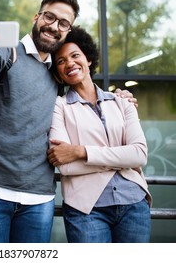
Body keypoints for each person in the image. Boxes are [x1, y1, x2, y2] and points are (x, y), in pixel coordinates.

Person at [0, 0, 135, 243]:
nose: (54, 26)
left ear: (67, 30)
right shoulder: (7, 51)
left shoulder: (58, 72)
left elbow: (86, 94)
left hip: (38, 201)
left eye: (63, 23)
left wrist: (120, 96)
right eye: (50, 16)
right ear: (37, 16)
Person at [47, 26, 152, 243]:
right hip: (86, 209)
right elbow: (65, 164)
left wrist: (80, 151)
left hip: (134, 202)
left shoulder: (122, 101)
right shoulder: (59, 106)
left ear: (88, 59)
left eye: (75, 55)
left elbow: (139, 155)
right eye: (61, 61)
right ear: (58, 72)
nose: (69, 63)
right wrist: (122, 160)